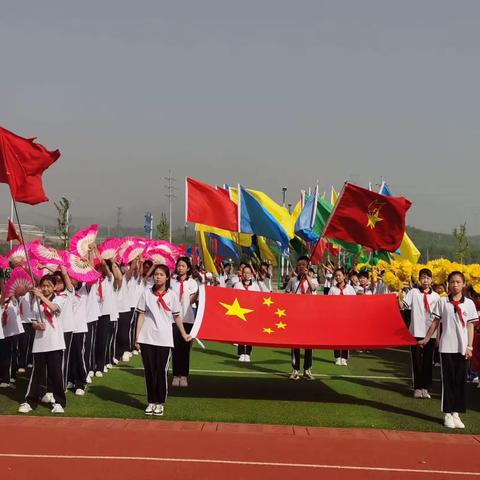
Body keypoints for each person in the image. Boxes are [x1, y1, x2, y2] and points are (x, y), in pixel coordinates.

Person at [418, 271, 478, 429]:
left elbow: (471, 326)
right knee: (448, 381)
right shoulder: (443, 301)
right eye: (452, 282)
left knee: (460, 381)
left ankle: (456, 413)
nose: (455, 285)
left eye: (458, 282)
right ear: (448, 284)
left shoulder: (469, 304)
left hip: (463, 349)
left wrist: (470, 346)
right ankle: (447, 413)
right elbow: (435, 322)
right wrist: (426, 338)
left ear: (464, 284)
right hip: (446, 348)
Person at [135, 264, 192, 416]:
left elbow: (177, 316)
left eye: (161, 274)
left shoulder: (172, 296)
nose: (158, 277)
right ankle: (151, 401)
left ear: (167, 277)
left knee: (161, 371)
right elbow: (141, 315)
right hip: (147, 337)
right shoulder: (146, 293)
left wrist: (184, 333)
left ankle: (160, 402)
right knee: (149, 371)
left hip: (164, 338)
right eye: (156, 274)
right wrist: (137, 337)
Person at [18, 275, 67, 414]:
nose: (45, 288)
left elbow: (54, 308)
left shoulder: (60, 298)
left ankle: (59, 402)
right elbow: (32, 321)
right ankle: (30, 401)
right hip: (40, 343)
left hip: (55, 343)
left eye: (48, 286)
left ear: (54, 287)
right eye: (43, 286)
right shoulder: (36, 303)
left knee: (56, 374)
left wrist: (41, 297)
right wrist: (37, 325)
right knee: (36, 374)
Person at [402, 268, 441, 399]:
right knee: (417, 361)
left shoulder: (436, 297)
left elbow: (439, 318)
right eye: (423, 277)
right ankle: (417, 387)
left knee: (428, 361)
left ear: (432, 280)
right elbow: (403, 305)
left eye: (428, 278)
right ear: (419, 279)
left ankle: (426, 387)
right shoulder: (413, 292)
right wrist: (398, 295)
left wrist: (438, 336)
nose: (425, 280)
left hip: (431, 333)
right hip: (416, 332)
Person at [285, 256, 318, 379]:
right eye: (299, 265)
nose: (301, 267)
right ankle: (295, 369)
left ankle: (307, 369)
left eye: (304, 265)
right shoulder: (293, 281)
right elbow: (286, 293)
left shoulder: (312, 280)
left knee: (309, 344)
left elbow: (314, 288)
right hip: (296, 316)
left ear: (307, 267)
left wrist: (307, 276)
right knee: (295, 343)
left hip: (309, 316)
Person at [170, 257, 199, 387]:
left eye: (183, 266)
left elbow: (192, 301)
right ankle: (176, 375)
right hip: (174, 320)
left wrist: (198, 293)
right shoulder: (171, 282)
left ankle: (184, 376)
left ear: (188, 268)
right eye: (179, 265)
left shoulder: (192, 283)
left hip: (187, 319)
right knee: (175, 348)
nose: (180, 268)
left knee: (185, 348)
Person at [328, 268, 356, 365]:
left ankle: (344, 357)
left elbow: (355, 302)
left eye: (339, 275)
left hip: (347, 316)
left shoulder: (350, 289)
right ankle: (337, 357)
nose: (338, 277)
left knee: (346, 337)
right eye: (336, 276)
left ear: (344, 276)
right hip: (335, 316)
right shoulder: (332, 289)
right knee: (336, 337)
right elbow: (328, 303)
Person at [233, 265, 260, 362]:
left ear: (251, 274)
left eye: (248, 273)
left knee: (249, 333)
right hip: (240, 311)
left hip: (251, 312)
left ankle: (248, 353)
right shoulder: (237, 285)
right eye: (245, 273)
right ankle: (241, 352)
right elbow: (233, 297)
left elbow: (258, 299)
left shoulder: (255, 286)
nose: (246, 275)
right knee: (240, 332)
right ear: (242, 274)